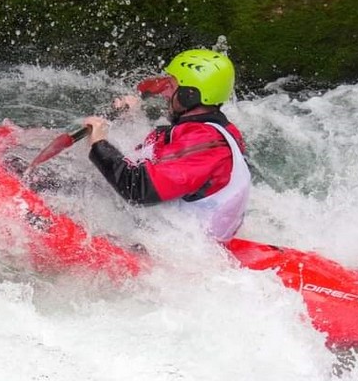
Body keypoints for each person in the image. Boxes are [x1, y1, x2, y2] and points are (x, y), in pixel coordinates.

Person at [82, 48, 251, 242]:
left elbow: (138, 189)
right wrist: (132, 119)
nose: (164, 93)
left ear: (190, 95)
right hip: (192, 240)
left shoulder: (207, 143)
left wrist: (99, 144)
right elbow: (149, 156)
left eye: (170, 85)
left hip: (180, 251)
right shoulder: (218, 130)